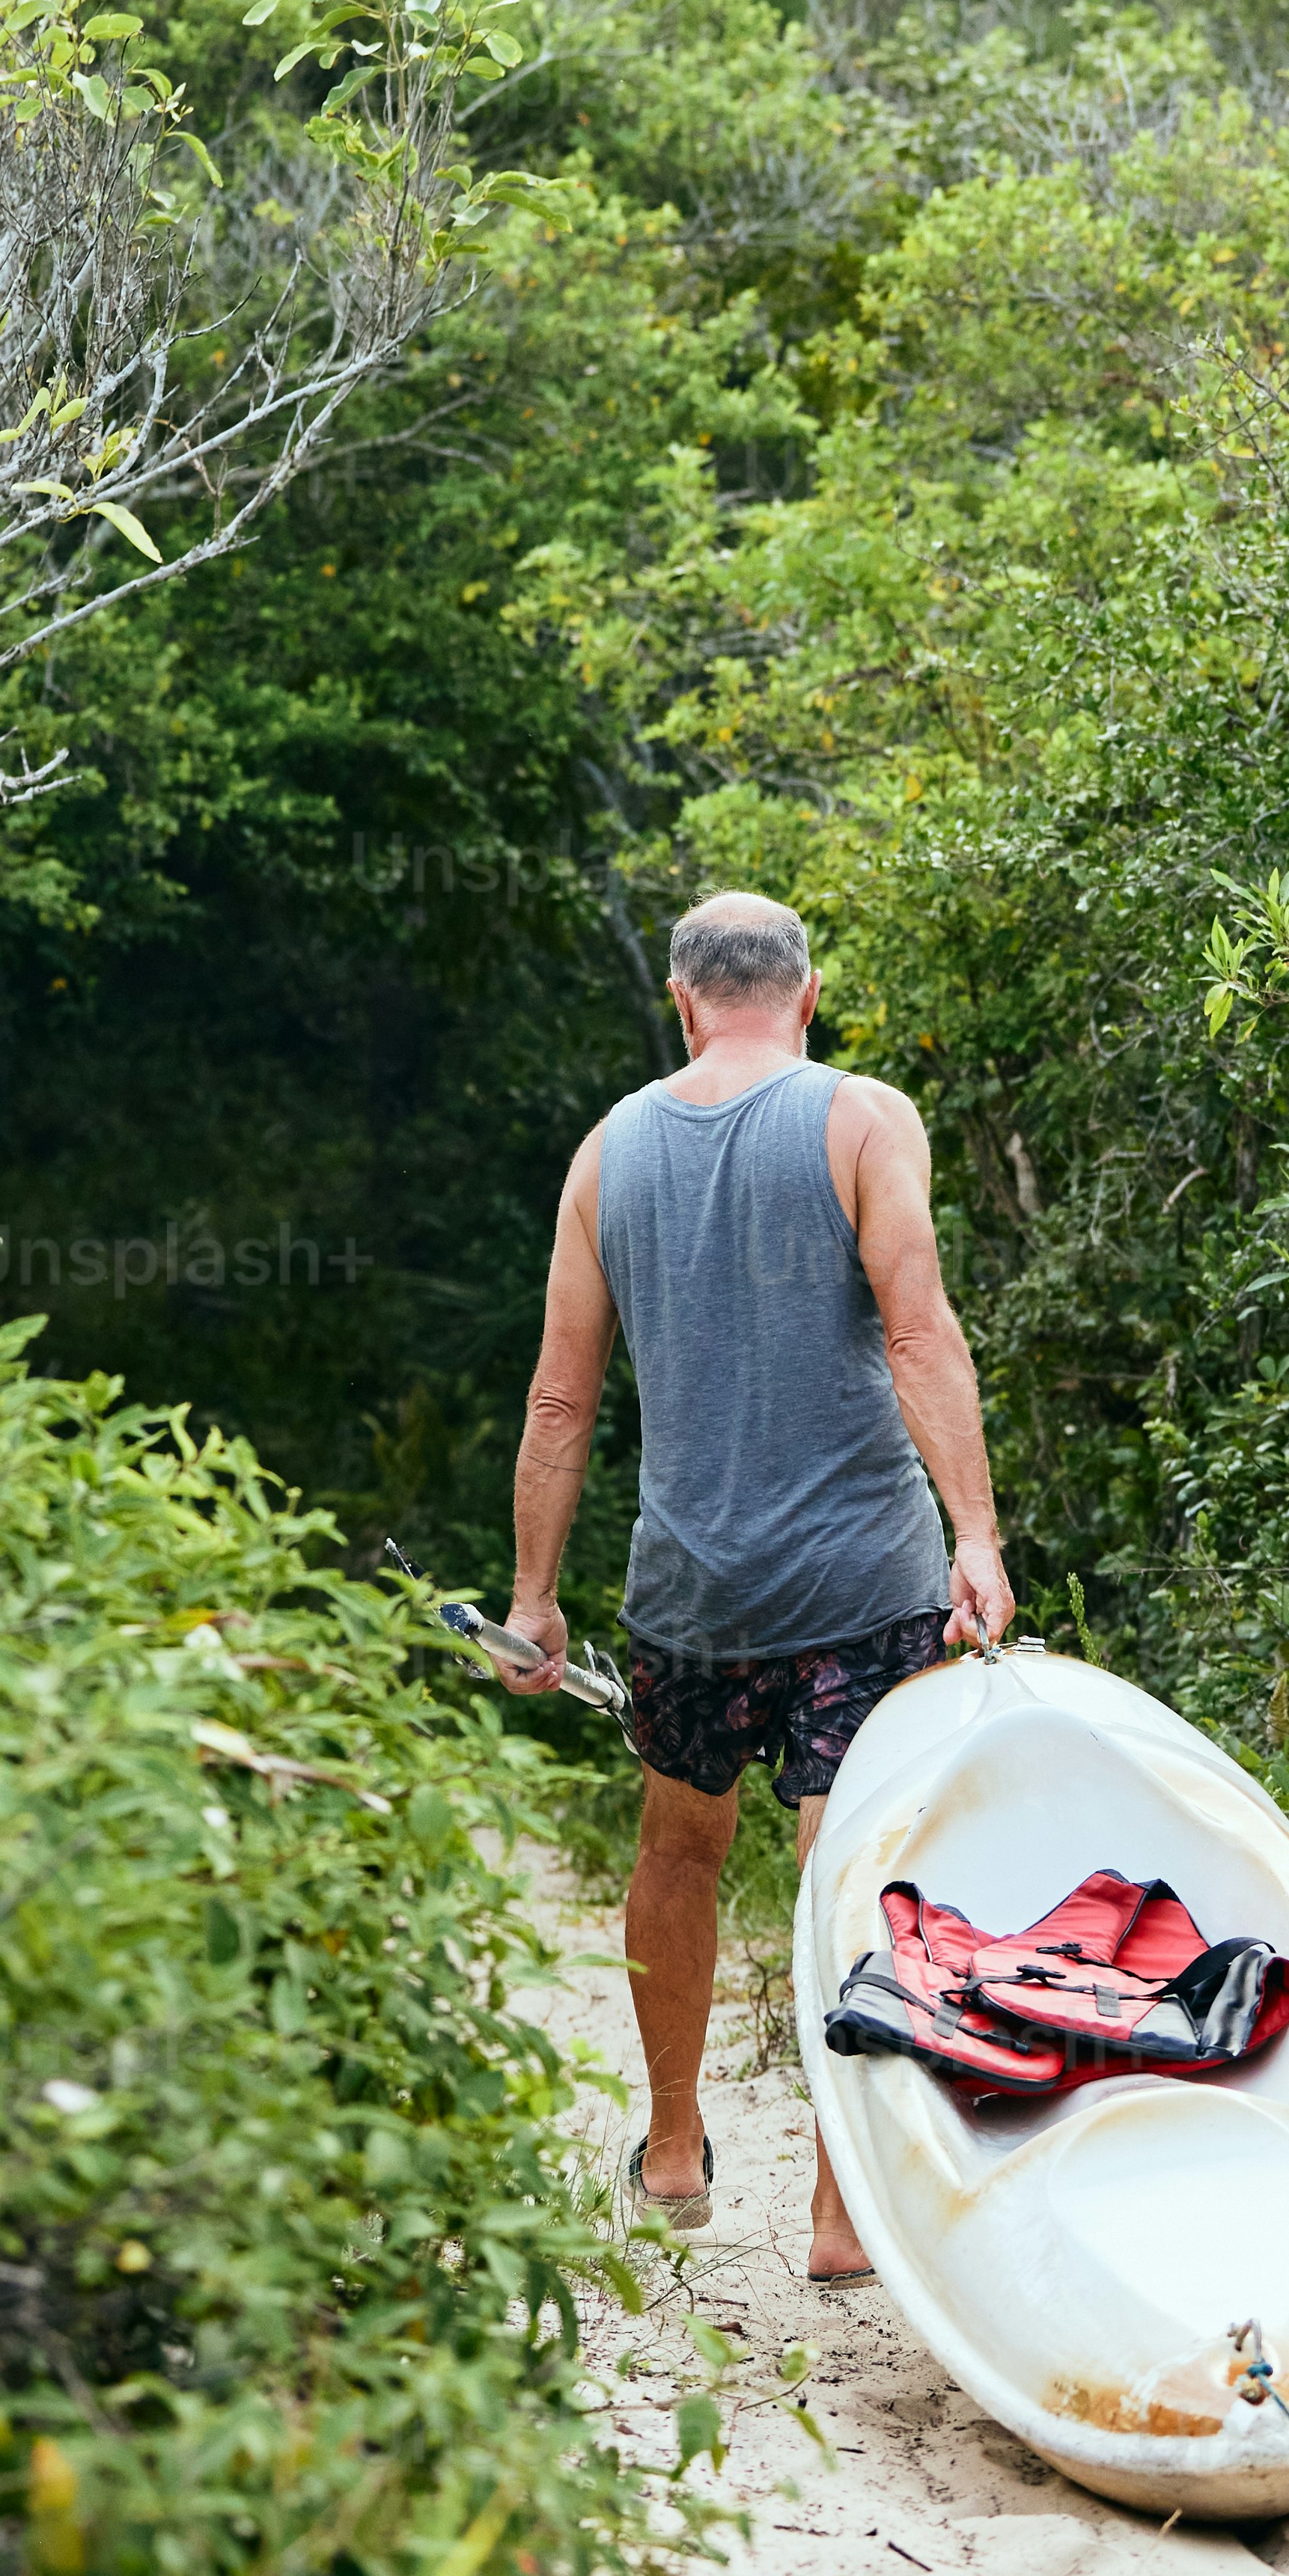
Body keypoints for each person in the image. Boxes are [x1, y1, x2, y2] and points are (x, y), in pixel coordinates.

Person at [484, 888, 1015, 2280]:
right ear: (808, 991)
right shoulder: (859, 1119)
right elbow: (919, 1331)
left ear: (680, 1001)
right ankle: (843, 2213)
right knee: (847, 1866)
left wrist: (533, 1603)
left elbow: (558, 1402)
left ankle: (673, 2147)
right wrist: (977, 1535)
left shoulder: (606, 1155)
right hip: (865, 1582)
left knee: (676, 1854)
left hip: (692, 1592)